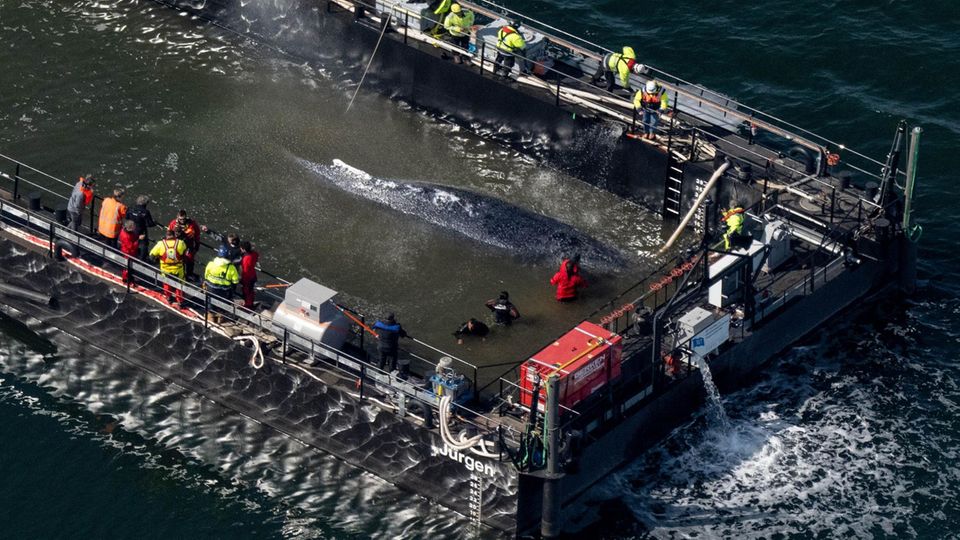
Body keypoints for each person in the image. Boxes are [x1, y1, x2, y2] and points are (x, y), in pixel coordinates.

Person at [149, 228, 188, 305]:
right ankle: (180, 301)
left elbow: (151, 255)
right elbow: (184, 252)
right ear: (174, 235)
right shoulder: (180, 243)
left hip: (165, 269)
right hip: (178, 269)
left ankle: (169, 297)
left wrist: (157, 260)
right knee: (180, 285)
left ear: (166, 236)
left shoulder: (160, 244)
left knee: (167, 284)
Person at [167, 209, 207, 280]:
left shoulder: (192, 223)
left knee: (190, 259)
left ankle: (189, 274)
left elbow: (197, 234)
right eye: (180, 219)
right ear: (177, 217)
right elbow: (168, 233)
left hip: (189, 244)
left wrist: (197, 244)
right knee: (179, 259)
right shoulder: (173, 223)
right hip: (176, 245)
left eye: (184, 219)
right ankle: (179, 273)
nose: (182, 221)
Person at [125, 195, 157, 260]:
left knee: (131, 243)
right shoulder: (145, 212)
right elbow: (149, 224)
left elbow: (126, 217)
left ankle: (133, 255)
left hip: (130, 230)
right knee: (143, 246)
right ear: (146, 203)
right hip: (141, 231)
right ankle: (142, 259)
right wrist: (155, 223)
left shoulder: (130, 208)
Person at [118, 220, 140, 285]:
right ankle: (126, 279)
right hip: (128, 253)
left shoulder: (125, 231)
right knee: (128, 268)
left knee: (128, 267)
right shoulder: (126, 236)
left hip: (128, 251)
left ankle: (128, 279)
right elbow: (131, 246)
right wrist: (138, 240)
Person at [239, 240, 259, 310]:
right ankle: (250, 303)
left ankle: (248, 305)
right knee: (251, 290)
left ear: (244, 249)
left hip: (247, 277)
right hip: (253, 275)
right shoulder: (254, 254)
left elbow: (245, 270)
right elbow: (256, 256)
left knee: (247, 291)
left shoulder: (246, 258)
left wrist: (241, 279)